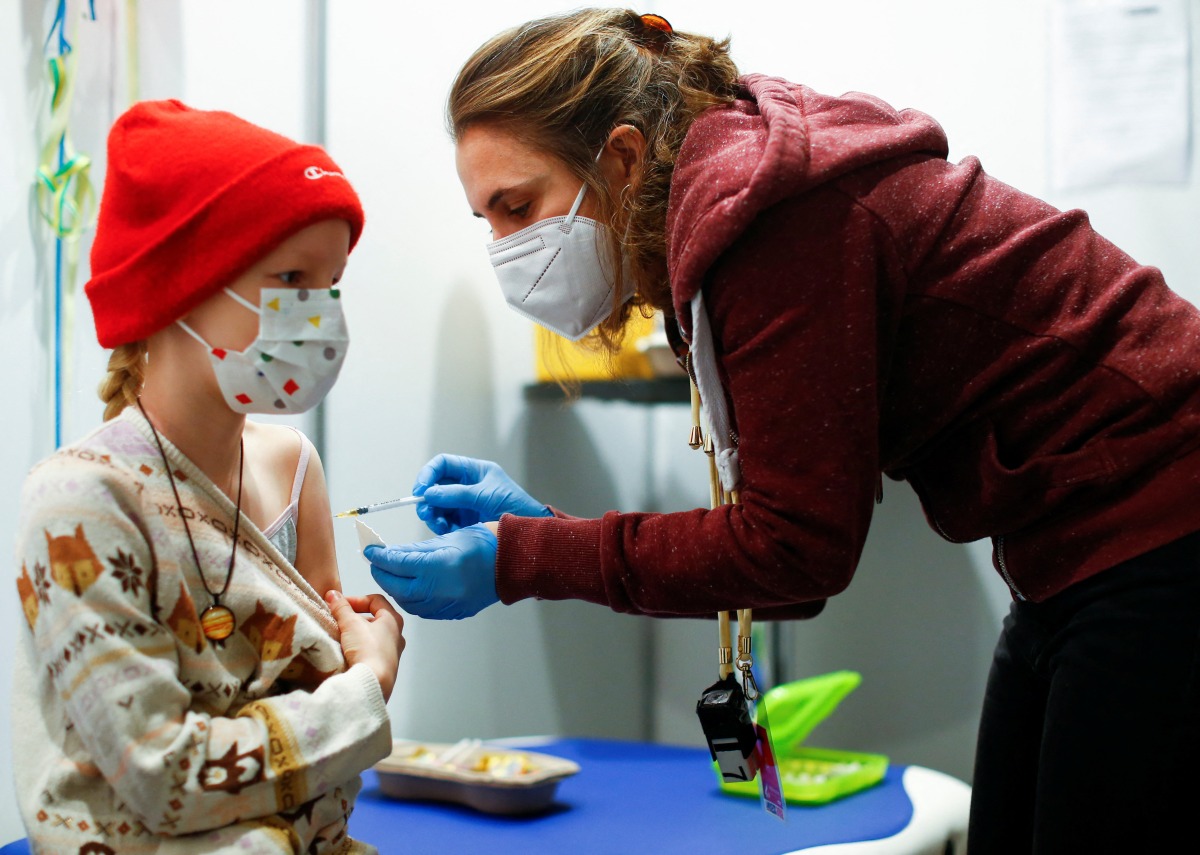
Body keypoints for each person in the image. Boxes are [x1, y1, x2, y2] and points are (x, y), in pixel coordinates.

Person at [362, 7, 1200, 852]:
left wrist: (522, 559)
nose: (509, 248)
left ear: (621, 157)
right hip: (1072, 546)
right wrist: (546, 533)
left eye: (519, 206)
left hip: (1162, 518)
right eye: (489, 222)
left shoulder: (773, 223)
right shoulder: (724, 209)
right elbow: (787, 558)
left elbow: (796, 552)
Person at [12, 100, 404, 854]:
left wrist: (360, 651)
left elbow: (319, 700)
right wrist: (371, 683)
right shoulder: (81, 504)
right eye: (290, 277)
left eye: (331, 284)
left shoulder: (295, 469)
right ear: (181, 284)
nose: (317, 315)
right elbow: (167, 774)